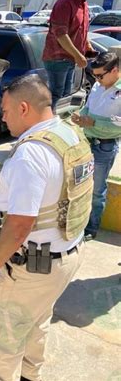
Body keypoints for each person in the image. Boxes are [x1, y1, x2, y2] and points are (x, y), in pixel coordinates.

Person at [0, 75, 93, 381]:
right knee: (36, 322)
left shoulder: (30, 155)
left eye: (7, 110)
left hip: (30, 269)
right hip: (65, 257)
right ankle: (29, 376)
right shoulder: (69, 134)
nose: (4, 117)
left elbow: (20, 225)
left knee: (4, 341)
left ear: (24, 108)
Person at [72, 52, 121, 240]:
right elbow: (89, 107)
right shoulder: (98, 85)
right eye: (94, 76)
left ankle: (91, 229)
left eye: (100, 75)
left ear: (115, 70)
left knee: (96, 191)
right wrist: (80, 115)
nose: (97, 79)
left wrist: (93, 123)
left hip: (104, 147)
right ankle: (79, 223)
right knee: (79, 187)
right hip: (86, 142)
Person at [42, 0, 96, 110]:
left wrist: (86, 44)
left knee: (66, 95)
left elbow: (80, 29)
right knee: (57, 94)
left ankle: (60, 123)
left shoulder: (83, 3)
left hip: (70, 58)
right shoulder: (64, 4)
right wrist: (78, 55)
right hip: (58, 58)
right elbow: (61, 35)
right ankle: (51, 125)